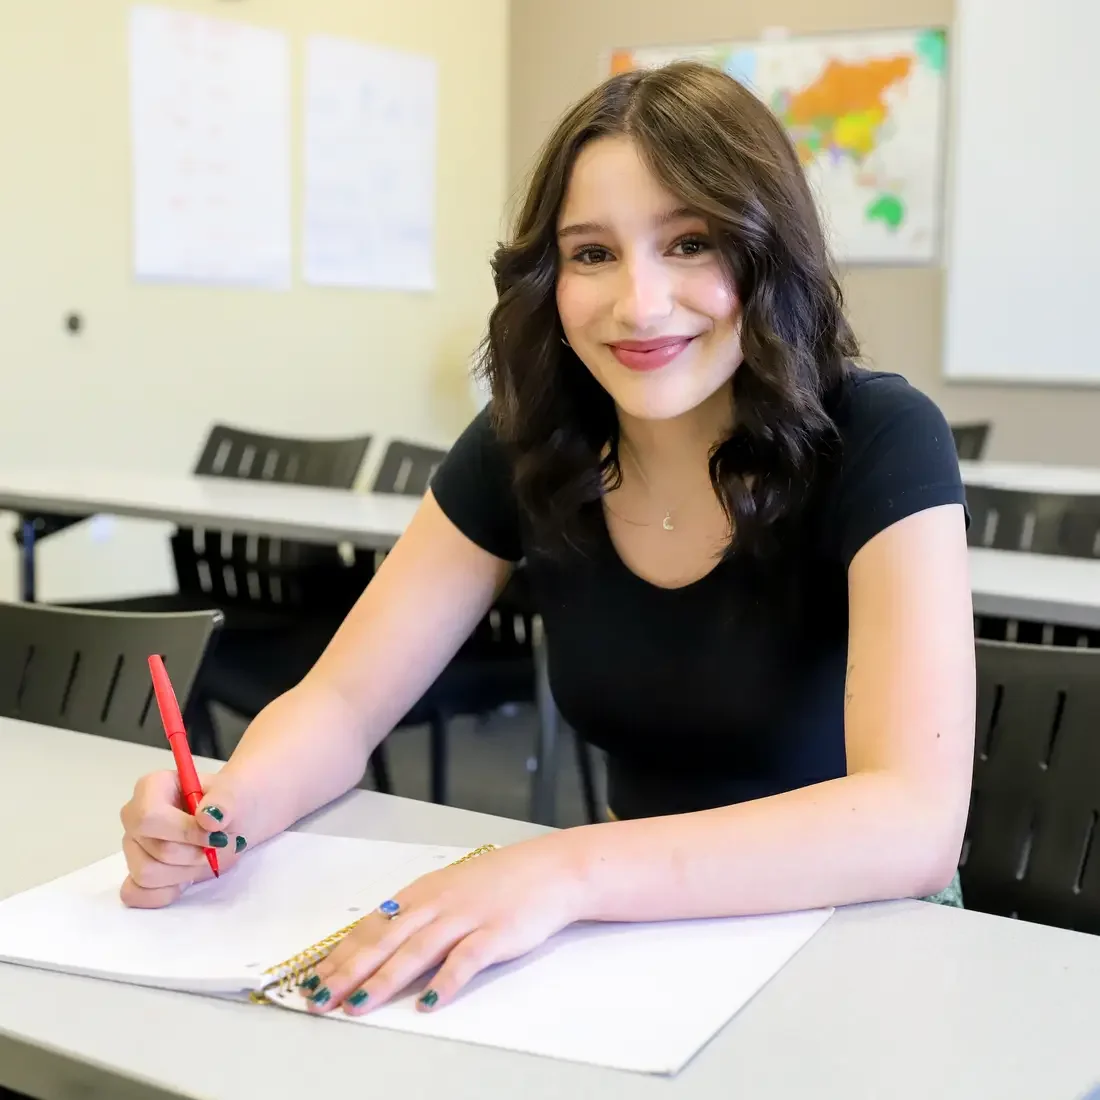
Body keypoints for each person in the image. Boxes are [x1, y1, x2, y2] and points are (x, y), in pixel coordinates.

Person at [119, 61, 975, 1017]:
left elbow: (913, 822)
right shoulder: (530, 445)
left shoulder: (882, 437)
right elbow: (344, 700)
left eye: (690, 243)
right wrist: (226, 812)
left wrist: (563, 871)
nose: (640, 304)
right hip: (635, 939)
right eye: (592, 253)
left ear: (768, 253)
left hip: (858, 942)